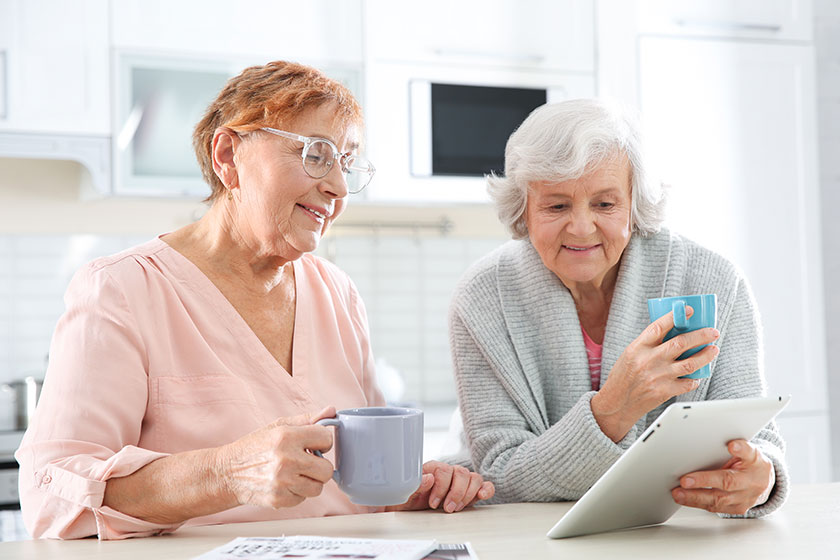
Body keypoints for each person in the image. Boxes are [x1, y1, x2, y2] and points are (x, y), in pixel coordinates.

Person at [16, 60, 493, 540]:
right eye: (316, 154)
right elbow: (53, 498)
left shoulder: (338, 294)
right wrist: (227, 473)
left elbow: (354, 489)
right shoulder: (121, 290)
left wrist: (411, 490)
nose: (339, 186)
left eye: (346, 164)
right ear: (228, 156)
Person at [449, 98, 786, 517]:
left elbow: (755, 437)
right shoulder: (481, 300)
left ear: (634, 204)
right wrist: (614, 409)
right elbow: (499, 474)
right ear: (524, 211)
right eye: (557, 205)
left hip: (685, 539)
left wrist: (763, 477)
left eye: (605, 204)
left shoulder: (714, 281)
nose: (582, 226)